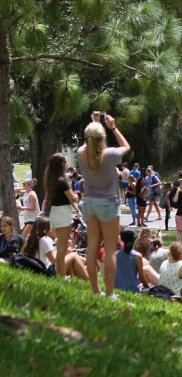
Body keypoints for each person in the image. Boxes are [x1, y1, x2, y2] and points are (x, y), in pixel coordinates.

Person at [78, 112, 130, 298]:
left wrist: (95, 124)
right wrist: (113, 127)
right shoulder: (110, 155)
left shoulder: (81, 153)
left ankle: (95, 290)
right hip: (108, 204)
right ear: (103, 138)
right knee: (110, 250)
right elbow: (126, 146)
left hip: (89, 203)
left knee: (91, 246)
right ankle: (109, 293)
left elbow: (88, 142)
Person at [43, 153, 82, 279]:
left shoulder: (51, 179)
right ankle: (60, 274)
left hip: (55, 212)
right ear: (61, 164)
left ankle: (60, 273)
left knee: (61, 245)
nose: (67, 165)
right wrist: (76, 197)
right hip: (63, 213)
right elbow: (72, 198)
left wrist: (76, 208)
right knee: (62, 246)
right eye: (65, 163)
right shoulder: (63, 180)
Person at [22, 216, 88, 279]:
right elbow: (54, 260)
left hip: (37, 270)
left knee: (71, 256)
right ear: (45, 229)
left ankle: (86, 266)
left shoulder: (29, 239)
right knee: (73, 255)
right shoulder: (45, 240)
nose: (51, 229)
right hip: (47, 271)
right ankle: (89, 278)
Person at [114, 228, 150, 293]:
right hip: (132, 289)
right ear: (134, 239)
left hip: (117, 287)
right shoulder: (137, 256)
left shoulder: (116, 255)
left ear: (122, 239)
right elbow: (142, 277)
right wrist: (148, 288)